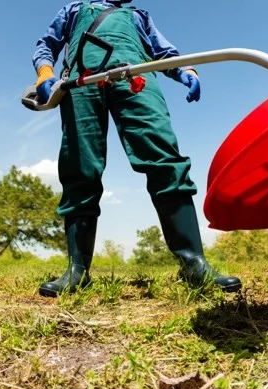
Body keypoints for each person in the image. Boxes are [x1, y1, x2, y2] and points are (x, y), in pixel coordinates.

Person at [32, 0, 241, 297]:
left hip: (136, 81)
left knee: (165, 160)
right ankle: (77, 270)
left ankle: (193, 262)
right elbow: (46, 44)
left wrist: (186, 72)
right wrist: (44, 72)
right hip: (80, 85)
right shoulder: (74, 10)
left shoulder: (138, 16)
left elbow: (164, 52)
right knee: (80, 168)